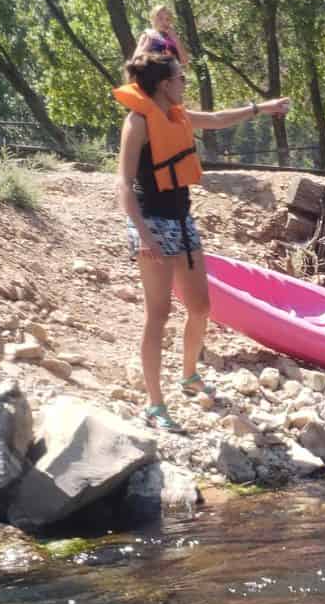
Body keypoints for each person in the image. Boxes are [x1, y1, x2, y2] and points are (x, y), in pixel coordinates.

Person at [115, 51, 289, 430]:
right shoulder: (138, 121)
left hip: (182, 217)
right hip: (152, 223)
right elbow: (123, 185)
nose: (184, 83)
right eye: (180, 78)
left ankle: (189, 374)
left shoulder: (175, 114)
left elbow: (215, 120)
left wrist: (261, 108)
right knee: (158, 315)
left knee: (200, 306)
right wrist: (144, 237)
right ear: (164, 83)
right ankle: (155, 404)